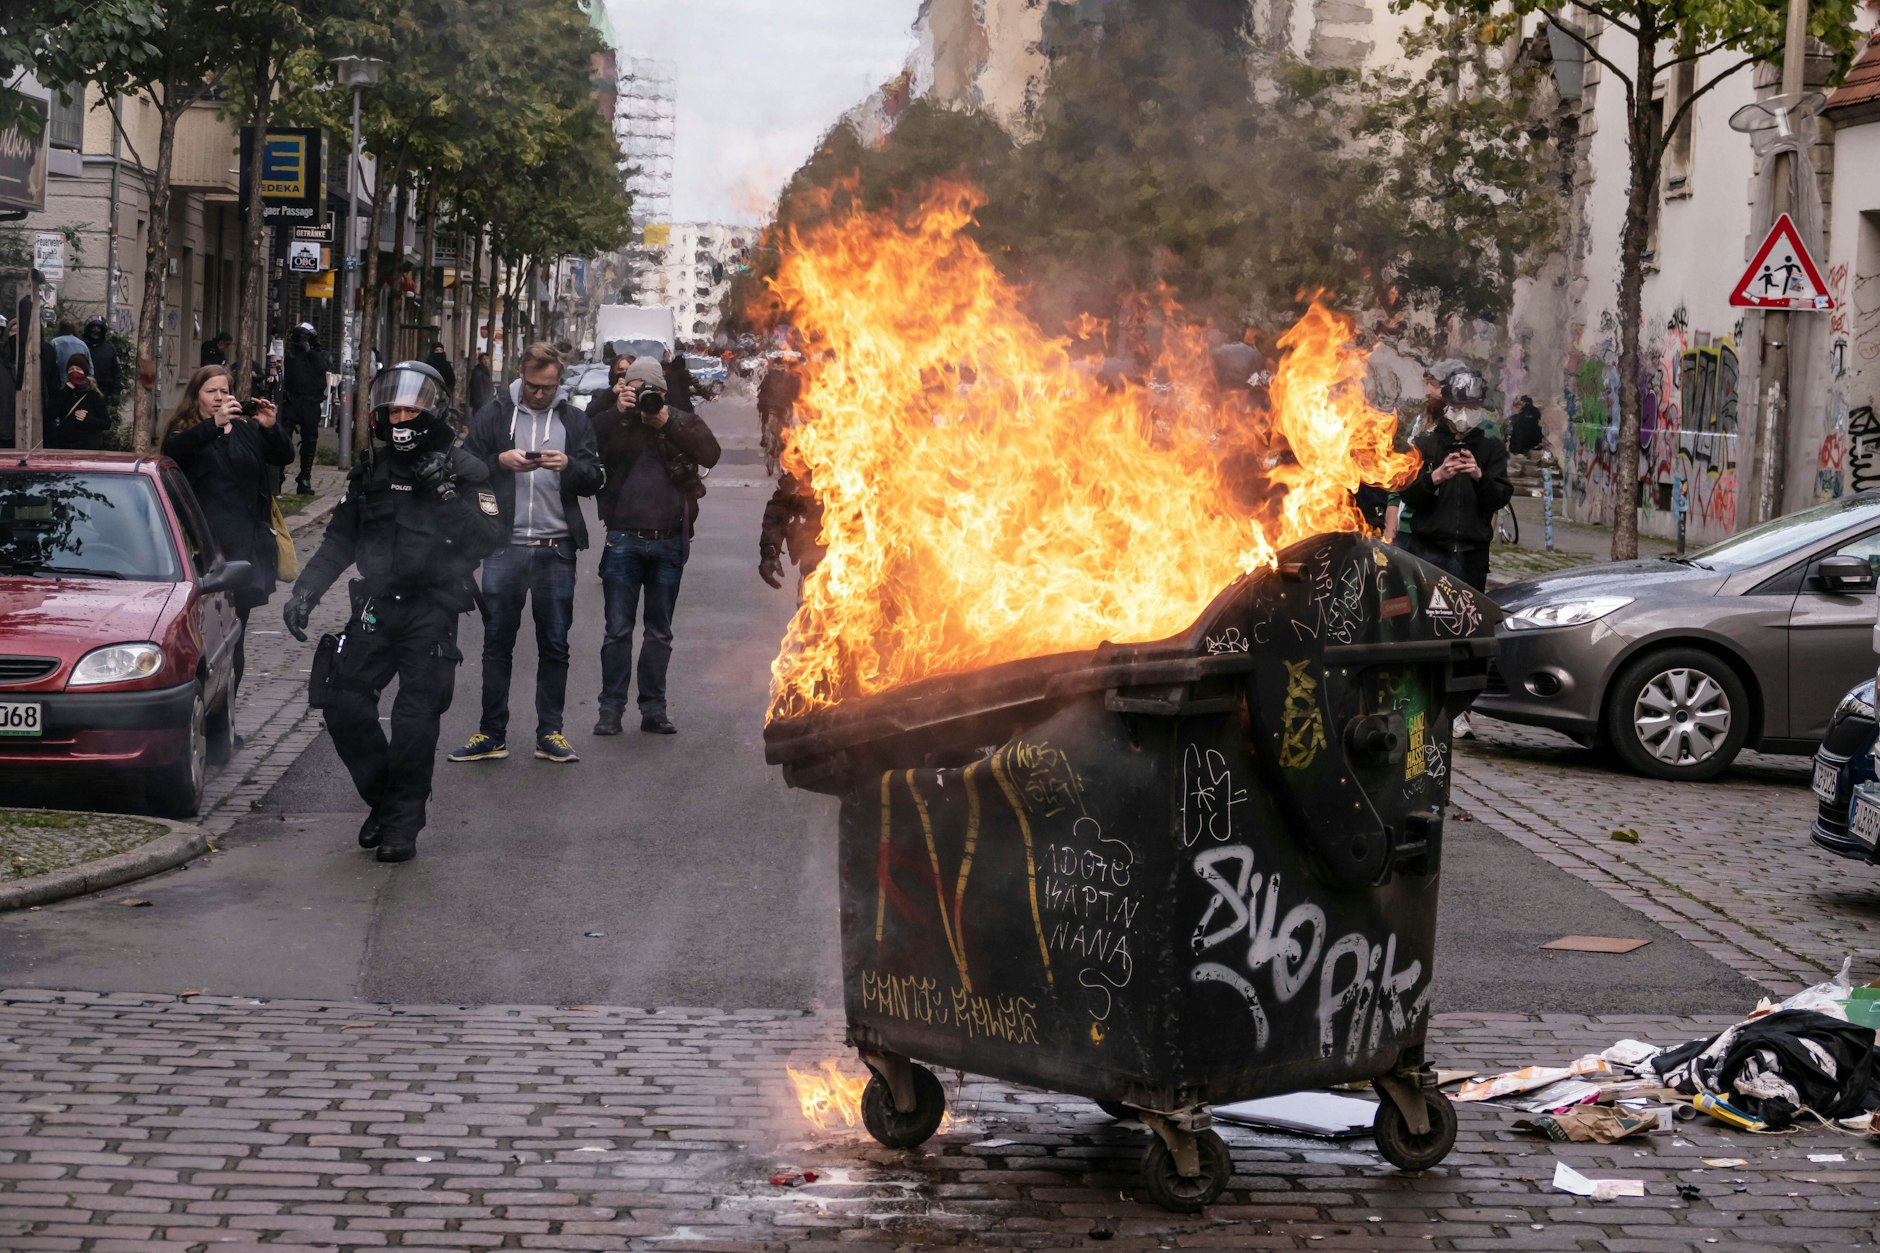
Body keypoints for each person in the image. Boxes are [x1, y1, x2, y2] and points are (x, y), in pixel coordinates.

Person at [281, 361, 506, 863]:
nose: (401, 419)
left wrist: (445, 494)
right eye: (394, 410)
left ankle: (404, 820)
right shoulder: (371, 470)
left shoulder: (466, 468)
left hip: (433, 607)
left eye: (411, 409)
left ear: (433, 411)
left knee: (414, 718)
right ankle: (385, 800)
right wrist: (306, 592)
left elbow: (488, 540)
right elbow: (339, 538)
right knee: (342, 704)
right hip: (376, 606)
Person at [453, 341, 603, 764]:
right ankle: (491, 732)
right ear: (522, 374)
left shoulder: (574, 420)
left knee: (555, 644)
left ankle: (550, 732)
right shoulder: (497, 414)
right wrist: (500, 460)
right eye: (535, 387)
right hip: (504, 547)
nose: (541, 395)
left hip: (556, 549)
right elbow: (463, 465)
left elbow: (595, 478)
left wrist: (568, 465)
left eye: (550, 387)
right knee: (497, 644)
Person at [591, 356, 720, 736]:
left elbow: (710, 452)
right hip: (623, 539)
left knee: (659, 632)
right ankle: (610, 710)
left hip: (668, 540)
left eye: (653, 391)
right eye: (638, 389)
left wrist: (669, 421)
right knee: (617, 630)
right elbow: (585, 440)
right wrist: (616, 410)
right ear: (626, 388)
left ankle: (654, 710)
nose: (647, 397)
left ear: (663, 393)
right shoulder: (617, 421)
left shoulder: (677, 419)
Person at [160, 365, 294, 700]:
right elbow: (174, 453)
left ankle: (225, 720)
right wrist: (212, 427)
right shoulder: (185, 431)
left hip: (247, 551)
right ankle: (202, 709)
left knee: (235, 637)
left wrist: (270, 427)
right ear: (196, 396)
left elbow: (283, 455)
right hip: (207, 551)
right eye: (211, 391)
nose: (219, 397)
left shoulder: (244, 429)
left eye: (224, 391)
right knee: (205, 640)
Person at [1393, 366, 1511, 738]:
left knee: (1468, 634)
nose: (1464, 413)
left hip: (1472, 553)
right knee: (1427, 631)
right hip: (1431, 551)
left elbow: (1500, 498)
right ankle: (1420, 702)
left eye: (1472, 406)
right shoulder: (1426, 445)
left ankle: (1459, 709)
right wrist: (1437, 476)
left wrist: (1478, 477)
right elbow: (1407, 493)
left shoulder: (1491, 448)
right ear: (1447, 405)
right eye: (1459, 405)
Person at [758, 458, 823, 597]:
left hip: (863, 563)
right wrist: (770, 550)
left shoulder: (871, 468)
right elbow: (781, 505)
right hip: (814, 561)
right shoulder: (810, 460)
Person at [283, 323, 330, 495]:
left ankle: (304, 478)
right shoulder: (291, 357)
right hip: (292, 402)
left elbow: (323, 368)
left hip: (310, 404)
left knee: (309, 441)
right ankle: (279, 475)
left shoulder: (319, 356)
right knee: (283, 439)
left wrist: (309, 350)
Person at [53, 353, 110, 450]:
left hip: (87, 447)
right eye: (71, 369)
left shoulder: (94, 395)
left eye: (78, 369)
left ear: (85, 372)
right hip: (65, 447)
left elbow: (106, 423)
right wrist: (66, 391)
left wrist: (88, 419)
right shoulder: (64, 393)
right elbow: (52, 414)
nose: (74, 372)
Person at [756, 353, 801, 477]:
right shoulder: (789, 377)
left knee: (772, 428)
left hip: (775, 409)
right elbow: (796, 393)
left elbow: (761, 394)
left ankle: (767, 440)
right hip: (781, 409)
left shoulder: (770, 375)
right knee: (782, 433)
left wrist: (762, 407)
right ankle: (776, 449)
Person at [80, 318, 120, 403]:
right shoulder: (81, 347)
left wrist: (116, 392)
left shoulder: (109, 349)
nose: (96, 331)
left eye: (98, 329)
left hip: (103, 391)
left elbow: (116, 372)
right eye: (93, 329)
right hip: (83, 389)